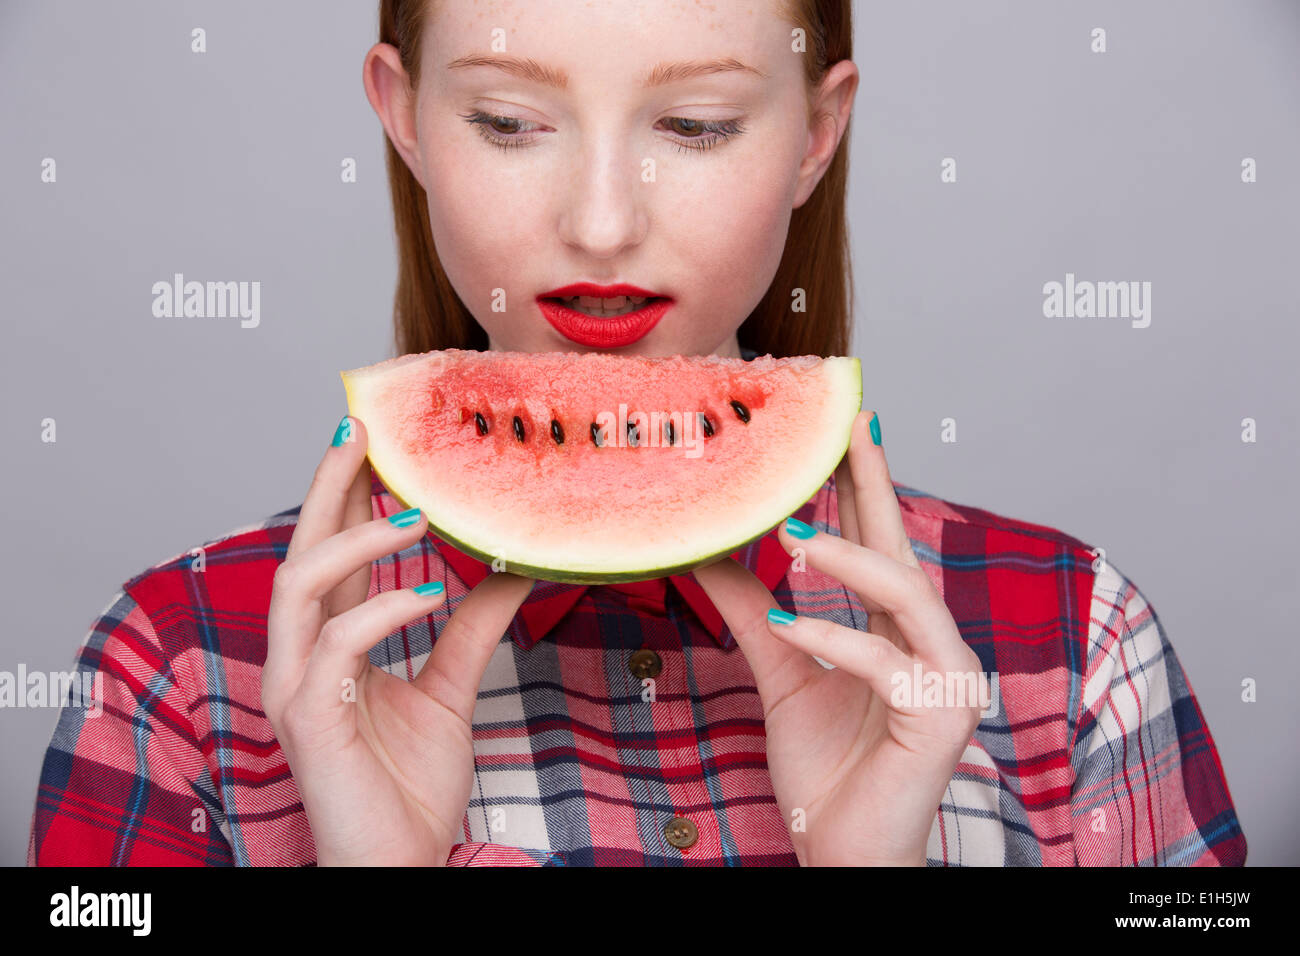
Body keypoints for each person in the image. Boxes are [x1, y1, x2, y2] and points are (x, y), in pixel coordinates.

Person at [28, 0, 1245, 866]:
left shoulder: (1075, 644)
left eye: (699, 125)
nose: (602, 224)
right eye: (507, 121)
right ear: (401, 115)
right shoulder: (179, 674)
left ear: (817, 135)